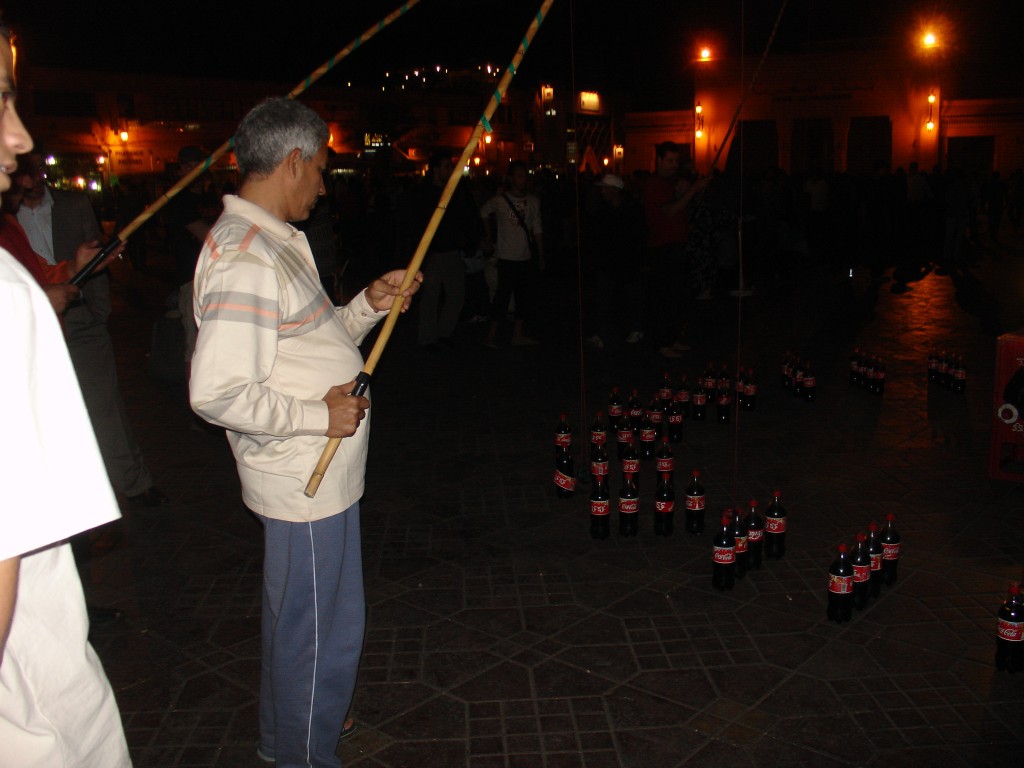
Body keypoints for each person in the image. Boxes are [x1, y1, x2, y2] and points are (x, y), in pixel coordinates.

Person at [188, 96, 421, 768]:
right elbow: (217, 392)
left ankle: (284, 741)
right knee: (321, 635)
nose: (323, 184)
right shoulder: (246, 257)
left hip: (313, 478)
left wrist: (367, 307)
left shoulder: (271, 244)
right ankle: (303, 756)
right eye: (320, 169)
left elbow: (308, 345)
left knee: (298, 624)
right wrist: (320, 417)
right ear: (292, 161)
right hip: (303, 479)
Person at [0, 18, 131, 765]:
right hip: (33, 717)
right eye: (2, 102)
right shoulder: (3, 294)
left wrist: (69, 272)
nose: (20, 140)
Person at [16, 149, 168, 508]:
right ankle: (72, 497)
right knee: (47, 413)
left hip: (80, 318)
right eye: (26, 172)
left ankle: (134, 482)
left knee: (103, 404)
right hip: (29, 325)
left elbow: (92, 255)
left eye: (38, 170)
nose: (34, 179)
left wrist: (98, 303)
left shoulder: (73, 203)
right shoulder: (7, 219)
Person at [397, 152, 481, 348]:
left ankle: (444, 332)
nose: (449, 170)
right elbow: (412, 223)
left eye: (449, 167)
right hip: (431, 254)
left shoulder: (454, 192)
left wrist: (471, 239)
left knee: (456, 294)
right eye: (445, 166)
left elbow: (465, 217)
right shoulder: (422, 193)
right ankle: (427, 338)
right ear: (435, 169)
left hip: (452, 251)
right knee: (430, 297)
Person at [642, 141, 707, 358]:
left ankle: (672, 338)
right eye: (669, 160)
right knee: (663, 298)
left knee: (677, 297)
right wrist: (692, 191)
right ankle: (662, 343)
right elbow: (669, 211)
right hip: (662, 249)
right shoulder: (654, 184)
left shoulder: (671, 183)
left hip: (676, 245)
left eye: (676, 161)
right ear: (659, 160)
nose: (673, 165)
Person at [480, 160, 542, 348]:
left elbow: (537, 229)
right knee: (501, 298)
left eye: (525, 175)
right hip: (506, 257)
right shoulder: (500, 200)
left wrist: (541, 255)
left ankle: (517, 334)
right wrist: (489, 235)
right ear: (511, 178)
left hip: (525, 257)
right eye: (519, 175)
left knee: (523, 298)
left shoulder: (533, 201)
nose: (523, 179)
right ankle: (490, 337)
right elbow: (483, 212)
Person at [165, 144, 217, 367]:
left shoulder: (210, 198)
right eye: (188, 167)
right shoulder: (179, 201)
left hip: (214, 276)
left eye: (198, 166)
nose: (194, 171)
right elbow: (209, 236)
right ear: (180, 170)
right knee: (195, 347)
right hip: (192, 278)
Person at [582, 173, 645, 348]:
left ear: (615, 190)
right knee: (603, 298)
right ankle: (600, 333)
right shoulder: (603, 210)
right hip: (608, 261)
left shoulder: (632, 208)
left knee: (632, 296)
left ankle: (636, 329)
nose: (602, 191)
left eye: (605, 188)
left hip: (628, 260)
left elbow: (639, 234)